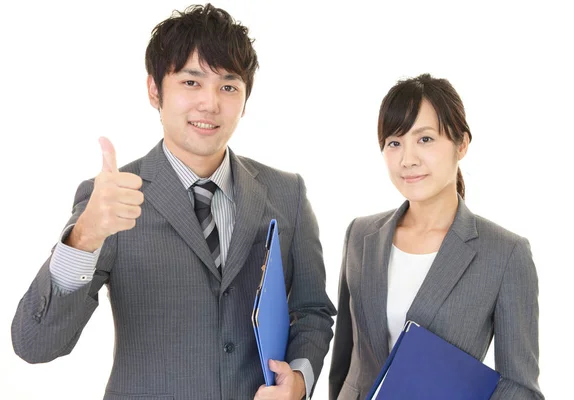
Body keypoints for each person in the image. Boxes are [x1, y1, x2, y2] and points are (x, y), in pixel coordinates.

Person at [12, 4, 335, 399]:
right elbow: (35, 345)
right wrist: (83, 238)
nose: (210, 103)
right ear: (154, 90)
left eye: (228, 86)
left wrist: (298, 380)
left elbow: (313, 312)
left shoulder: (288, 193)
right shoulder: (114, 197)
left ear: (246, 99)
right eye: (191, 82)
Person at [329, 74, 543, 400]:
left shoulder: (505, 254)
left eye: (425, 139)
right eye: (394, 143)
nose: (408, 159)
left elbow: (520, 388)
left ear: (462, 144)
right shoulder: (361, 235)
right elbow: (344, 363)